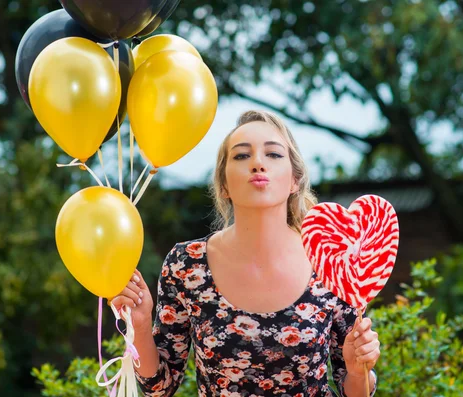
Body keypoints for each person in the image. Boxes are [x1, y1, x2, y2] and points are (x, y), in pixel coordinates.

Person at [111, 110, 381, 396]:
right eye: (241, 156)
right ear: (224, 185)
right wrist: (140, 327)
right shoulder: (186, 266)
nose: (257, 164)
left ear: (295, 181)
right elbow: (159, 388)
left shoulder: (330, 261)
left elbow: (353, 390)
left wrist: (357, 370)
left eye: (274, 155)